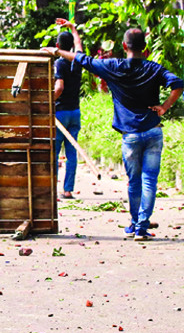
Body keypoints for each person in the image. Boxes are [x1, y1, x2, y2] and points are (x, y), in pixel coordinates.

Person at [46, 26, 183, 240]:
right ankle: (141, 226)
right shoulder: (154, 68)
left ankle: (136, 224)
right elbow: (177, 83)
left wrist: (56, 52)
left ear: (124, 46)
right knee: (149, 181)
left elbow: (83, 59)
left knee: (134, 181)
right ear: (145, 47)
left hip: (131, 135)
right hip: (154, 131)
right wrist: (164, 107)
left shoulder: (114, 66)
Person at [52, 22, 83, 199]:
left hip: (60, 113)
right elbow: (79, 45)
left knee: (55, 153)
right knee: (71, 153)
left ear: (57, 46)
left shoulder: (60, 63)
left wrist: (49, 102)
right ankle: (68, 190)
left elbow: (59, 87)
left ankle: (53, 191)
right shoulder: (78, 59)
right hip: (75, 112)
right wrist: (73, 28)